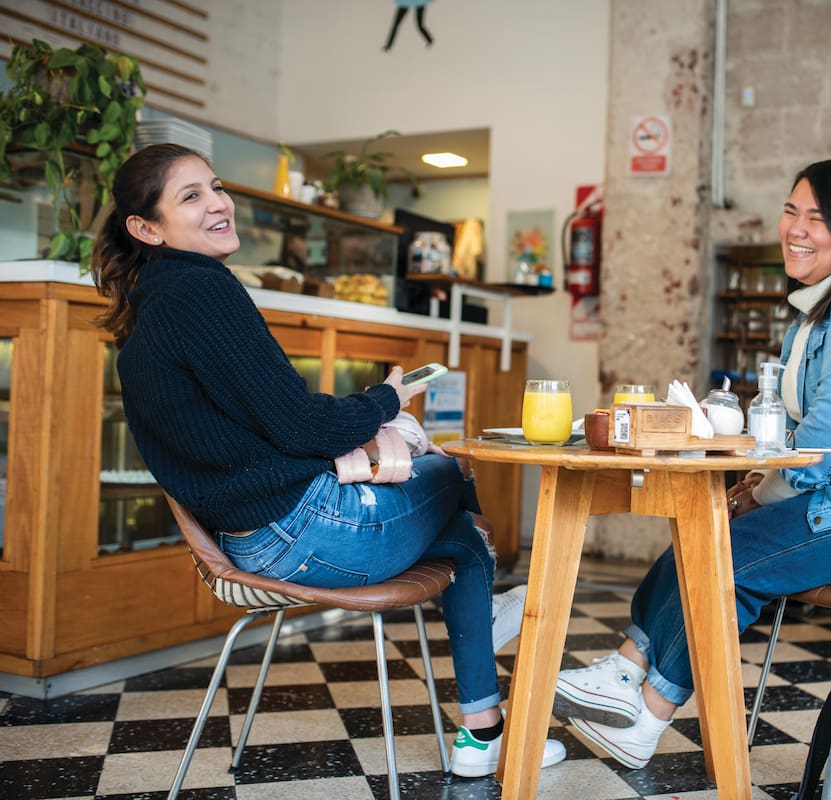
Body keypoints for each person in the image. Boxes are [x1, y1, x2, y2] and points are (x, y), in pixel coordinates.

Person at [90, 143, 564, 778]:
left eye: (216, 186)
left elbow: (273, 423)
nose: (218, 203)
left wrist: (362, 418)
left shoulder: (155, 307)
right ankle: (482, 693)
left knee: (457, 535)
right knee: (450, 473)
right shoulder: (201, 293)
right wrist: (387, 399)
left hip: (252, 540)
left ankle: (484, 728)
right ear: (146, 229)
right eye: (191, 196)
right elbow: (297, 424)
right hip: (306, 533)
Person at [553, 158, 831, 768]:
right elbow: (799, 429)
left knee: (727, 557)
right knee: (708, 531)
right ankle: (629, 668)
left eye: (819, 219)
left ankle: (647, 711)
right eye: (791, 211)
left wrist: (767, 492)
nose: (797, 229)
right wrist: (760, 482)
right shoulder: (822, 310)